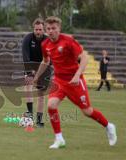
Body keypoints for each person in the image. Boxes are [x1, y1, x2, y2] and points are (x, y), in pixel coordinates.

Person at [34, 16, 117, 149]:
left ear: (59, 29)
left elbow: (83, 58)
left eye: (53, 28)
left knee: (87, 111)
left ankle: (108, 126)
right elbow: (45, 61)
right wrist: (37, 76)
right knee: (51, 105)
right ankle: (59, 139)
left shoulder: (68, 41)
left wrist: (77, 75)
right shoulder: (45, 45)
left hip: (74, 81)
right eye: (48, 29)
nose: (50, 31)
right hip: (59, 81)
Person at [22, 18, 52, 127]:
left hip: (44, 65)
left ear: (43, 29)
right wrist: (30, 72)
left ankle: (39, 121)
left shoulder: (47, 40)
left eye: (40, 29)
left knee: (41, 95)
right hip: (30, 64)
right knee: (28, 86)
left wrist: (41, 70)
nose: (38, 32)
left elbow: (50, 58)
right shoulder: (28, 38)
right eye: (36, 29)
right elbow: (25, 56)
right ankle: (29, 114)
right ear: (33, 29)